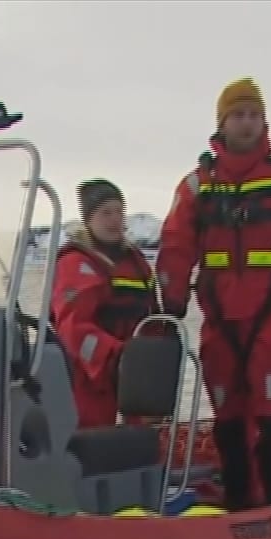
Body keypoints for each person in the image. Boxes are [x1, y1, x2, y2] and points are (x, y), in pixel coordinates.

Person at [156, 76, 271, 510]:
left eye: (254, 115)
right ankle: (239, 511)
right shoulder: (197, 186)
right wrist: (169, 312)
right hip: (221, 323)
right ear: (221, 123)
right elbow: (175, 246)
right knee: (228, 427)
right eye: (237, 115)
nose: (247, 124)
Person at [49, 178, 163, 428]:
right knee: (94, 440)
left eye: (119, 212)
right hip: (90, 377)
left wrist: (157, 355)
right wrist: (115, 357)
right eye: (105, 213)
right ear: (89, 219)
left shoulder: (136, 262)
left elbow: (151, 315)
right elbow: (73, 328)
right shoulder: (76, 264)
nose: (114, 220)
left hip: (134, 371)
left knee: (141, 440)